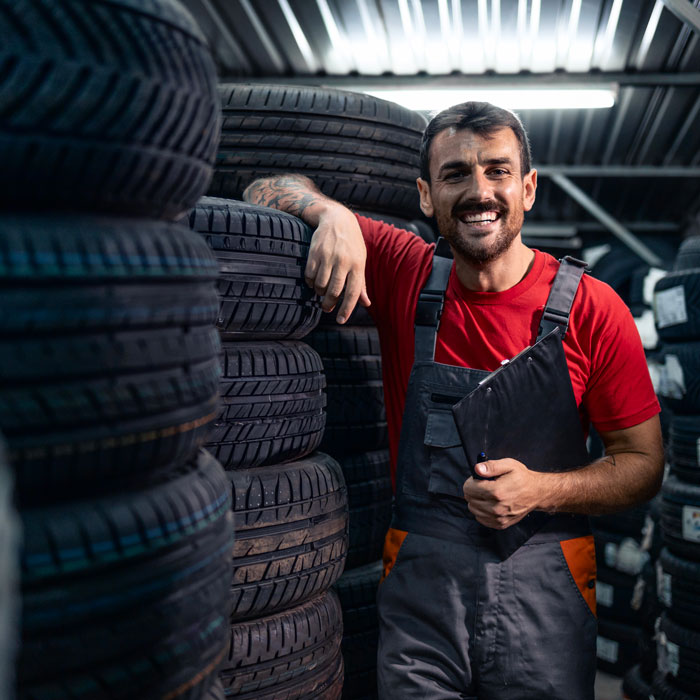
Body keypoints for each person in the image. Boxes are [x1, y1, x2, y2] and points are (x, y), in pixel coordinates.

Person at [242, 101, 663, 700]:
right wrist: (330, 213)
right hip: (423, 596)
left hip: (547, 587)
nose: (479, 191)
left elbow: (644, 465)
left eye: (497, 170)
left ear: (528, 188)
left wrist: (541, 489)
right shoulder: (404, 270)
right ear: (424, 194)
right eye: (455, 174)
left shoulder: (594, 309)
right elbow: (264, 188)